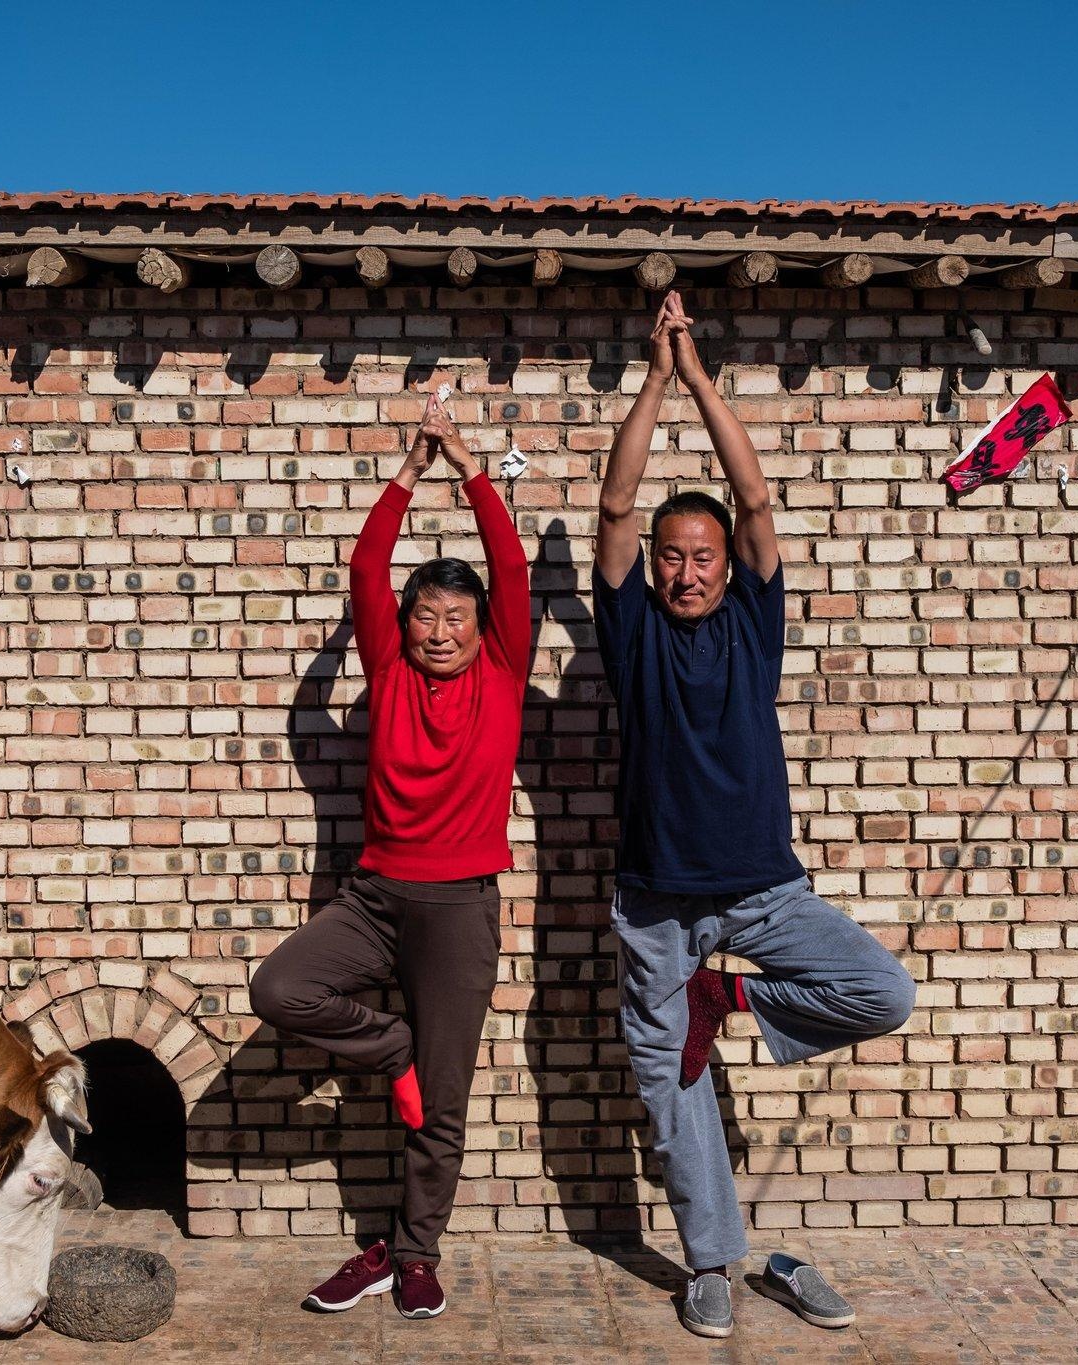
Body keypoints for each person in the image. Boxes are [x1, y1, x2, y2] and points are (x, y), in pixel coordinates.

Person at [594, 292, 916, 1339]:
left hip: (762, 893)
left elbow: (755, 495)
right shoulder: (632, 633)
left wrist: (699, 380)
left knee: (880, 991)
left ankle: (725, 999)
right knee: (670, 1093)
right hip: (654, 907)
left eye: (703, 556)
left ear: (726, 565)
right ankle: (710, 1266)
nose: (685, 571)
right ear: (653, 564)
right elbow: (610, 507)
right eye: (669, 556)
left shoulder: (753, 624)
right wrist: (650, 380)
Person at [250, 394, 530, 1321]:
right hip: (373, 897)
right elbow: (369, 567)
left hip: (459, 910)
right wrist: (411, 469)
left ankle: (411, 1253)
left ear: (477, 625)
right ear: (405, 622)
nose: (440, 630)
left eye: (456, 616)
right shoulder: (390, 668)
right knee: (281, 988)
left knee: (439, 1106)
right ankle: (395, 1046)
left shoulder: (500, 666)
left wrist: (471, 465)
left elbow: (511, 567)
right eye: (426, 615)